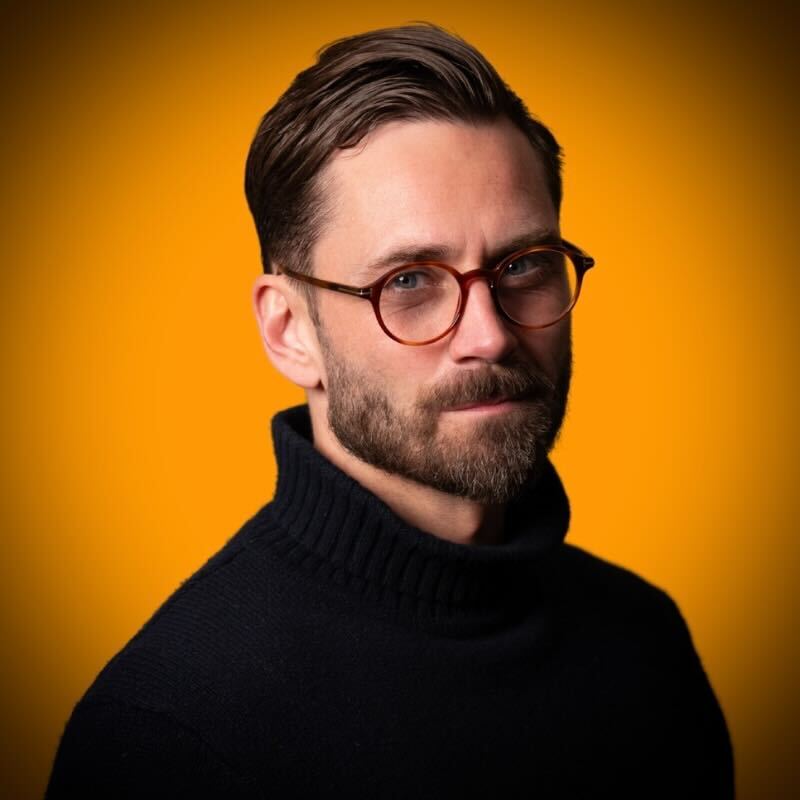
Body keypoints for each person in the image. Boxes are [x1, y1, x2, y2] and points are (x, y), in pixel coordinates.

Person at [46, 23, 734, 798]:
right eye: (408, 281)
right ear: (290, 331)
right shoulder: (169, 731)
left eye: (524, 266)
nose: (489, 336)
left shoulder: (645, 641)